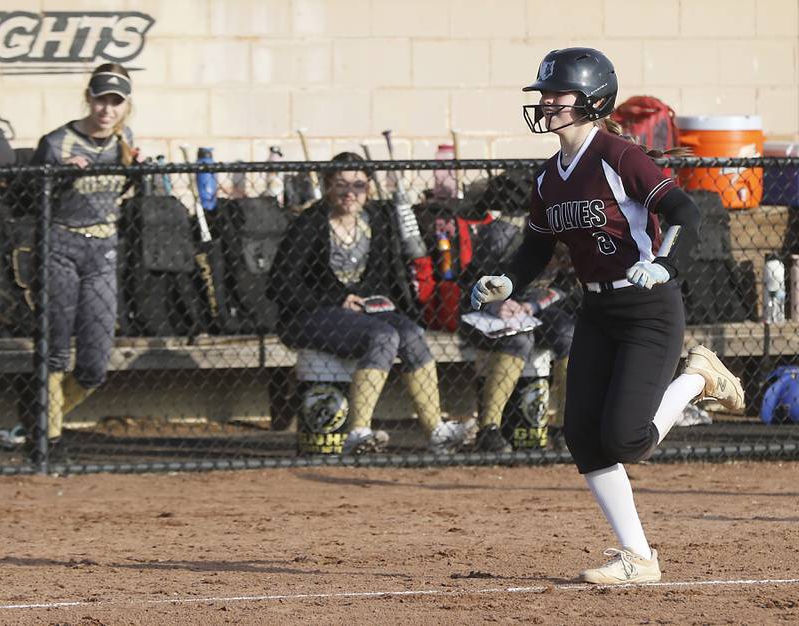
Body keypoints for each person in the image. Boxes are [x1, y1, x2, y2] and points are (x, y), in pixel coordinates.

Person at [471, 47, 745, 584]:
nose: (546, 102)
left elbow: (683, 212)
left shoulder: (618, 155)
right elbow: (536, 245)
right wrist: (510, 280)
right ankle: (639, 558)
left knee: (626, 439)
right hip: (597, 307)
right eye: (544, 93)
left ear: (593, 99)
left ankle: (697, 378)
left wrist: (665, 265)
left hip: (648, 308)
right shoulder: (550, 175)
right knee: (582, 436)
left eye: (558, 93)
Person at [269, 152, 474, 455]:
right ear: (327, 187)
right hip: (308, 314)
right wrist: (338, 299)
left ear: (369, 188)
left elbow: (380, 277)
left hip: (358, 313)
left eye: (358, 185)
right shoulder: (310, 223)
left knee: (411, 334)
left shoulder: (375, 220)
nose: (350, 193)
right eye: (340, 185)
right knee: (382, 337)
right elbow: (280, 284)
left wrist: (373, 300)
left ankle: (436, 430)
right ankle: (359, 432)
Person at [27, 63, 137, 455]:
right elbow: (23, 197)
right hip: (61, 244)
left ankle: (36, 419)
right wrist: (55, 175)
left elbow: (127, 191)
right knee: (56, 348)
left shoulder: (126, 143)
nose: (106, 109)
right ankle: (46, 435)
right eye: (100, 99)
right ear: (87, 98)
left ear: (125, 106)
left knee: (94, 362)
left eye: (115, 101)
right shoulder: (58, 141)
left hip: (104, 249)